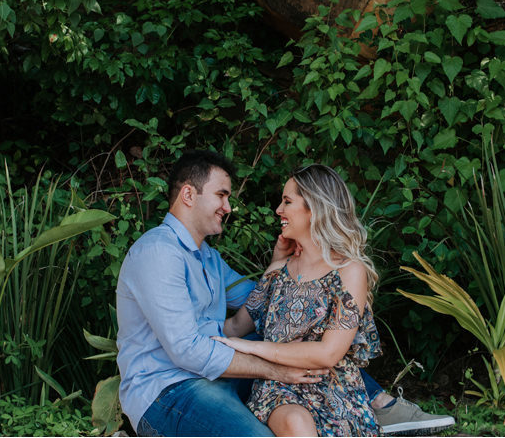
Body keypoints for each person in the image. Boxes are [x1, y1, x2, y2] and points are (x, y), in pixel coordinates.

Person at [116, 150, 455, 436]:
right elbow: (187, 351)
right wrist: (272, 369)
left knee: (303, 331)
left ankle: (377, 402)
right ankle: (377, 403)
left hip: (218, 373)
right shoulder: (157, 254)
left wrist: (290, 268)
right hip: (169, 389)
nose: (229, 206)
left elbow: (274, 305)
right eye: (222, 195)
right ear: (189, 195)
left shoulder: (208, 258)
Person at [212, 164, 380, 436]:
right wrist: (275, 264)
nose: (278, 210)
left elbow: (328, 354)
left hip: (337, 394)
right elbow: (234, 328)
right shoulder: (279, 270)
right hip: (280, 390)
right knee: (296, 423)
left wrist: (254, 348)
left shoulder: (349, 271)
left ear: (315, 209)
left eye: (287, 201)